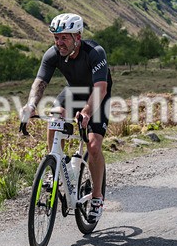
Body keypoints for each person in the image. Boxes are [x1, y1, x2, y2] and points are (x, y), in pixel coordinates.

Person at [20, 13, 112, 222]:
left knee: (93, 146)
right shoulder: (53, 54)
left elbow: (101, 88)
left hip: (98, 96)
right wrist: (31, 105)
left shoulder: (95, 53)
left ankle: (96, 197)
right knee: (55, 116)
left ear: (77, 37)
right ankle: (54, 165)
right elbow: (40, 82)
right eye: (56, 38)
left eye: (65, 38)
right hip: (74, 92)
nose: (59, 43)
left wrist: (87, 112)